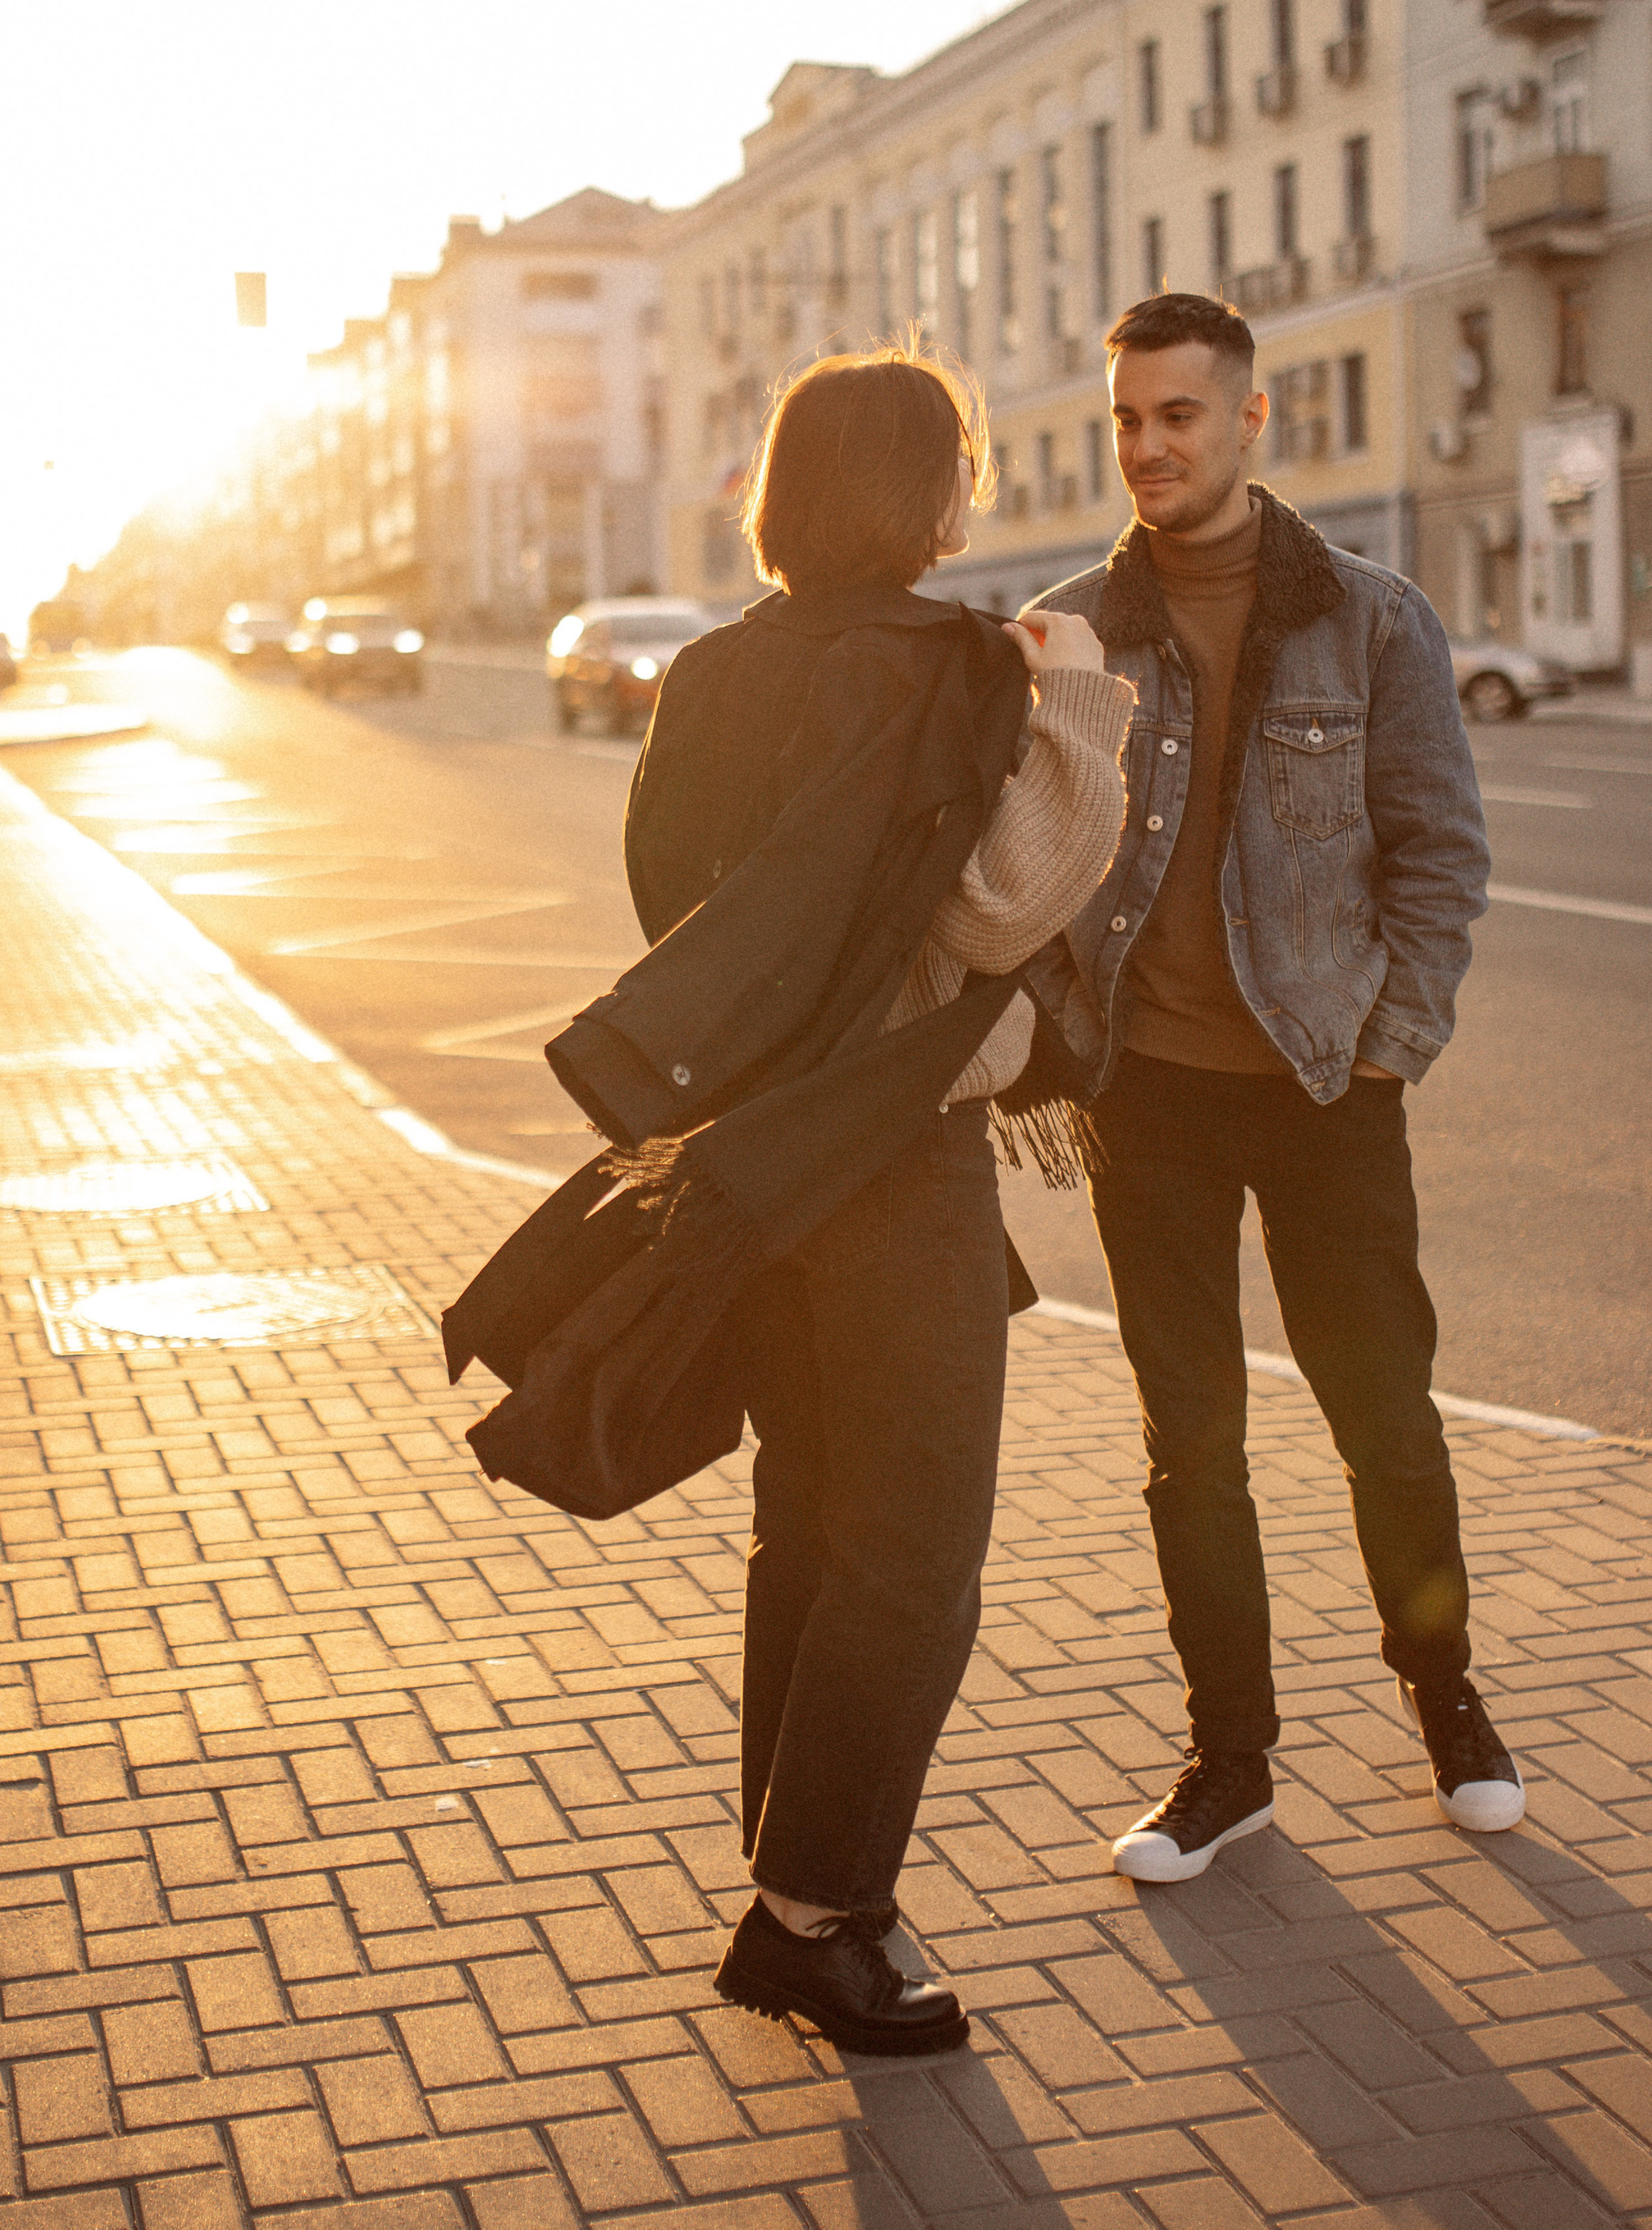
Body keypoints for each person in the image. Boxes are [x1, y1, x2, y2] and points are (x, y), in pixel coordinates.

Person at [623, 348, 1135, 2052]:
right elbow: (999, 905)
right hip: (886, 1154)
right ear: (924, 495)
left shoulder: (703, 671)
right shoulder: (959, 664)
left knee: (811, 1519)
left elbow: (665, 902)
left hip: (753, 1154)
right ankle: (812, 1919)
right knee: (913, 1554)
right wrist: (1072, 707)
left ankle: (801, 1864)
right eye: (958, 467)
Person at [1021, 290, 1518, 1882]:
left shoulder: (1369, 617)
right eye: (1125, 419)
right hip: (1144, 1099)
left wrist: (1392, 1041)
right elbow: (1021, 867)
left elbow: (1438, 854)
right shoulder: (1070, 632)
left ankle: (1442, 1696)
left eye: (1176, 414)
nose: (1146, 446)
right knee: (1192, 1439)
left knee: (1382, 1412)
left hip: (1322, 1088)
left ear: (1248, 419)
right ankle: (1226, 1757)